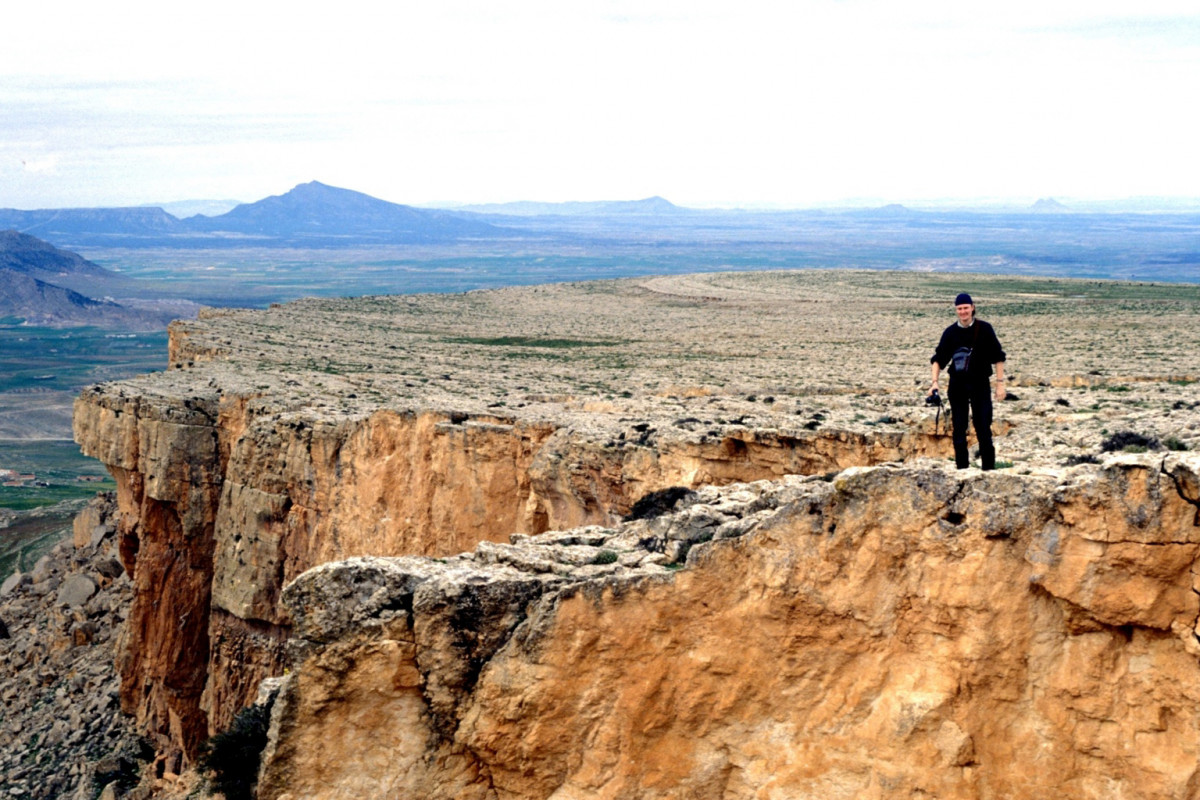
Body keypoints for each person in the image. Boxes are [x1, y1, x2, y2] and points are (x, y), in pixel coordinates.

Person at [929, 292, 1007, 470]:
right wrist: (934, 382)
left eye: (966, 308)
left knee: (983, 427)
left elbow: (998, 357)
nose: (963, 312)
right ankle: (962, 470)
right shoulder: (950, 333)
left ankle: (988, 470)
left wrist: (1000, 384)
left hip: (980, 384)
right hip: (958, 385)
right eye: (959, 309)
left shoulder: (985, 329)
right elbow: (938, 359)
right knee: (959, 427)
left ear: (972, 307)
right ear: (956, 310)